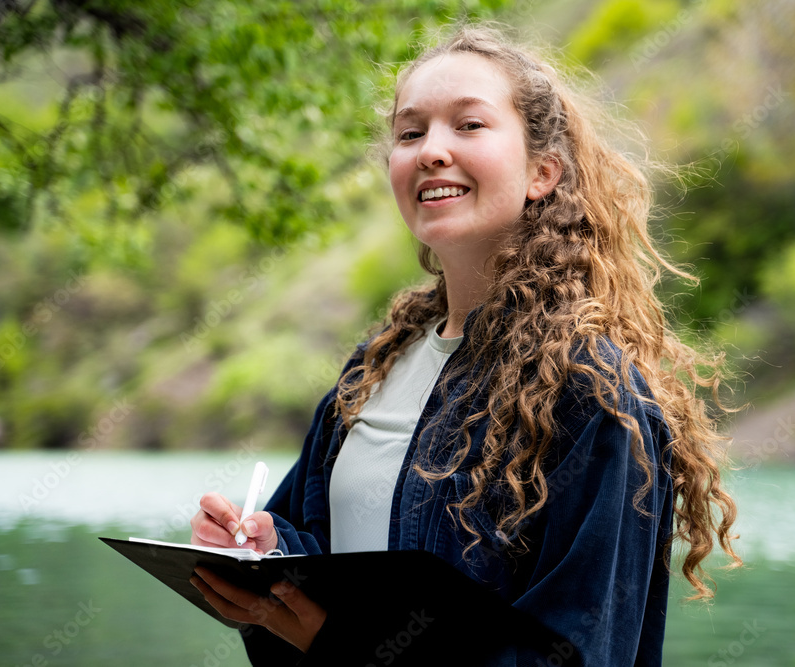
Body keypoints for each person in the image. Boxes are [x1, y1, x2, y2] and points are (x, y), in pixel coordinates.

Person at [188, 21, 740, 667]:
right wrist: (258, 548)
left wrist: (340, 645)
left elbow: (577, 652)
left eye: (469, 125)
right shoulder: (375, 367)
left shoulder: (592, 392)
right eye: (410, 131)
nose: (430, 150)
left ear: (542, 173)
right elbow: (320, 555)